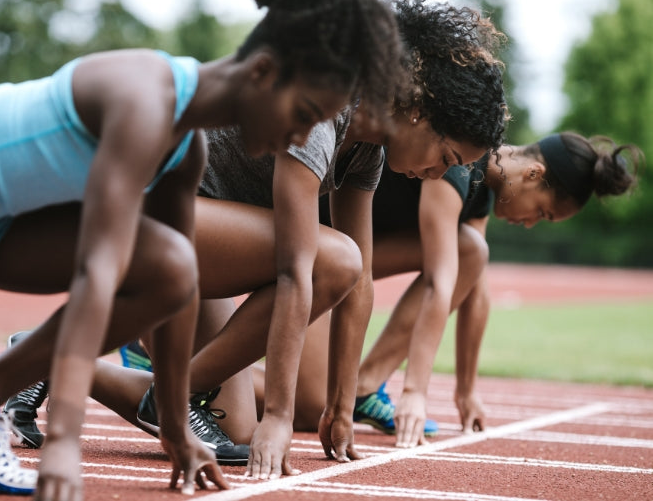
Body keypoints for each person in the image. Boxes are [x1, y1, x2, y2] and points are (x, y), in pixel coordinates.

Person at [19, 0, 508, 481]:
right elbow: (298, 270)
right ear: (420, 112)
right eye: (445, 158)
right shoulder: (327, 107)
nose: (434, 175)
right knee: (332, 259)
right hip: (138, 216)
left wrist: (340, 406)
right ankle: (172, 392)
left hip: (195, 237)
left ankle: (45, 360)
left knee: (235, 432)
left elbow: (358, 290)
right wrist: (280, 414)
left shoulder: (368, 151)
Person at [0, 0, 406, 497]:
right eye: (304, 114)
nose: (301, 137)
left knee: (170, 267)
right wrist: (63, 443)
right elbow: (97, 279)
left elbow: (174, 290)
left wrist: (176, 429)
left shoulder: (184, 150)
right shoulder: (144, 101)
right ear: (262, 72)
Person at [256, 131, 642, 448]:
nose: (530, 224)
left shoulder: (484, 189)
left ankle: (364, 385)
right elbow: (440, 285)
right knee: (309, 407)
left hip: (348, 252)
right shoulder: (457, 165)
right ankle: (207, 379)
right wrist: (415, 391)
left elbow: (473, 285)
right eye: (542, 212)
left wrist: (466, 389)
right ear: (533, 174)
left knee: (472, 251)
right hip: (308, 242)